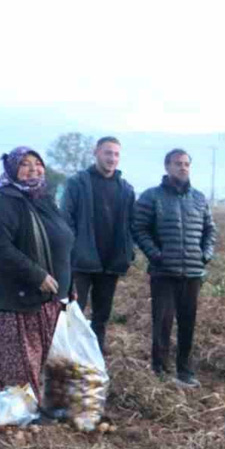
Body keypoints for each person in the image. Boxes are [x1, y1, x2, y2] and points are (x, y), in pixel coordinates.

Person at [0, 147, 75, 403]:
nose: (33, 168)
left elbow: (63, 241)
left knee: (40, 363)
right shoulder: (6, 200)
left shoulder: (42, 198)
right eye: (25, 164)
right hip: (17, 301)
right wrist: (37, 275)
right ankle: (15, 421)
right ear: (12, 169)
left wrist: (71, 283)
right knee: (20, 370)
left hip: (47, 300)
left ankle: (33, 414)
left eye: (38, 163)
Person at [131, 149, 216, 387]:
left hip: (192, 272)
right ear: (167, 166)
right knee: (163, 323)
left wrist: (205, 255)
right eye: (178, 163)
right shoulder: (151, 197)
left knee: (188, 323)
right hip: (164, 272)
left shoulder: (199, 198)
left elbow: (210, 230)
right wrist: (156, 255)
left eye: (187, 163)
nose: (183, 167)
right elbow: (139, 229)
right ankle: (160, 371)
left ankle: (185, 370)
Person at [61, 136, 136, 353]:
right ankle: (69, 359)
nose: (112, 158)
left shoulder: (126, 189)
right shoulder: (77, 183)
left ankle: (95, 360)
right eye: (107, 153)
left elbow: (132, 224)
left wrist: (128, 252)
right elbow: (66, 219)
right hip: (81, 263)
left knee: (101, 318)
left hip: (110, 263)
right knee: (74, 314)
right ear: (96, 153)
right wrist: (73, 250)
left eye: (116, 154)